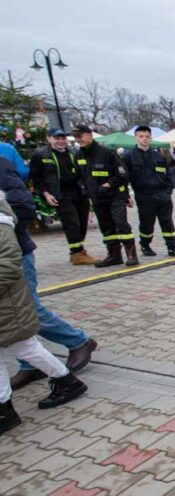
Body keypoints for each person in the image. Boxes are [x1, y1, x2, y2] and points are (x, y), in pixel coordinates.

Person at [0, 157, 97, 388]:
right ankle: (30, 364)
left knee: (25, 310)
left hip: (12, 254)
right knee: (11, 317)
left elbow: (23, 207)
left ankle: (78, 341)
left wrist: (5, 231)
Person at [0, 188, 89, 434]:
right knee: (14, 348)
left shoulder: (1, 222)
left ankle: (66, 380)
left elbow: (8, 263)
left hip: (7, 302)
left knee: (24, 346)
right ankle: (4, 407)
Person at [72, 126, 138, 268]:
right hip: (97, 198)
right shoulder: (78, 156)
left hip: (115, 196)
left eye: (81, 136)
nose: (79, 140)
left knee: (121, 224)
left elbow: (122, 174)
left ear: (89, 135)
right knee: (106, 228)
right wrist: (84, 188)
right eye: (76, 137)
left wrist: (109, 184)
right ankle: (114, 256)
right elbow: (78, 177)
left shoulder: (107, 153)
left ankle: (131, 255)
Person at [28, 128, 97, 265]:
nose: (60, 141)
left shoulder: (74, 153)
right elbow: (36, 178)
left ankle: (78, 250)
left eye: (63, 138)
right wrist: (46, 194)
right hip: (59, 194)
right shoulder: (41, 155)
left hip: (78, 192)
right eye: (57, 138)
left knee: (82, 223)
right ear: (49, 138)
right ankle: (77, 254)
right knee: (72, 223)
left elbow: (83, 172)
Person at [123, 126, 175, 258]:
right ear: (136, 138)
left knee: (167, 222)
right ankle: (145, 245)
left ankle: (172, 247)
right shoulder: (129, 157)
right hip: (144, 196)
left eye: (147, 136)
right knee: (147, 223)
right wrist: (126, 195)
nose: (145, 139)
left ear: (151, 138)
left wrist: (168, 191)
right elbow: (123, 178)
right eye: (141, 136)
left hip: (162, 195)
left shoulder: (159, 156)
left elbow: (169, 174)